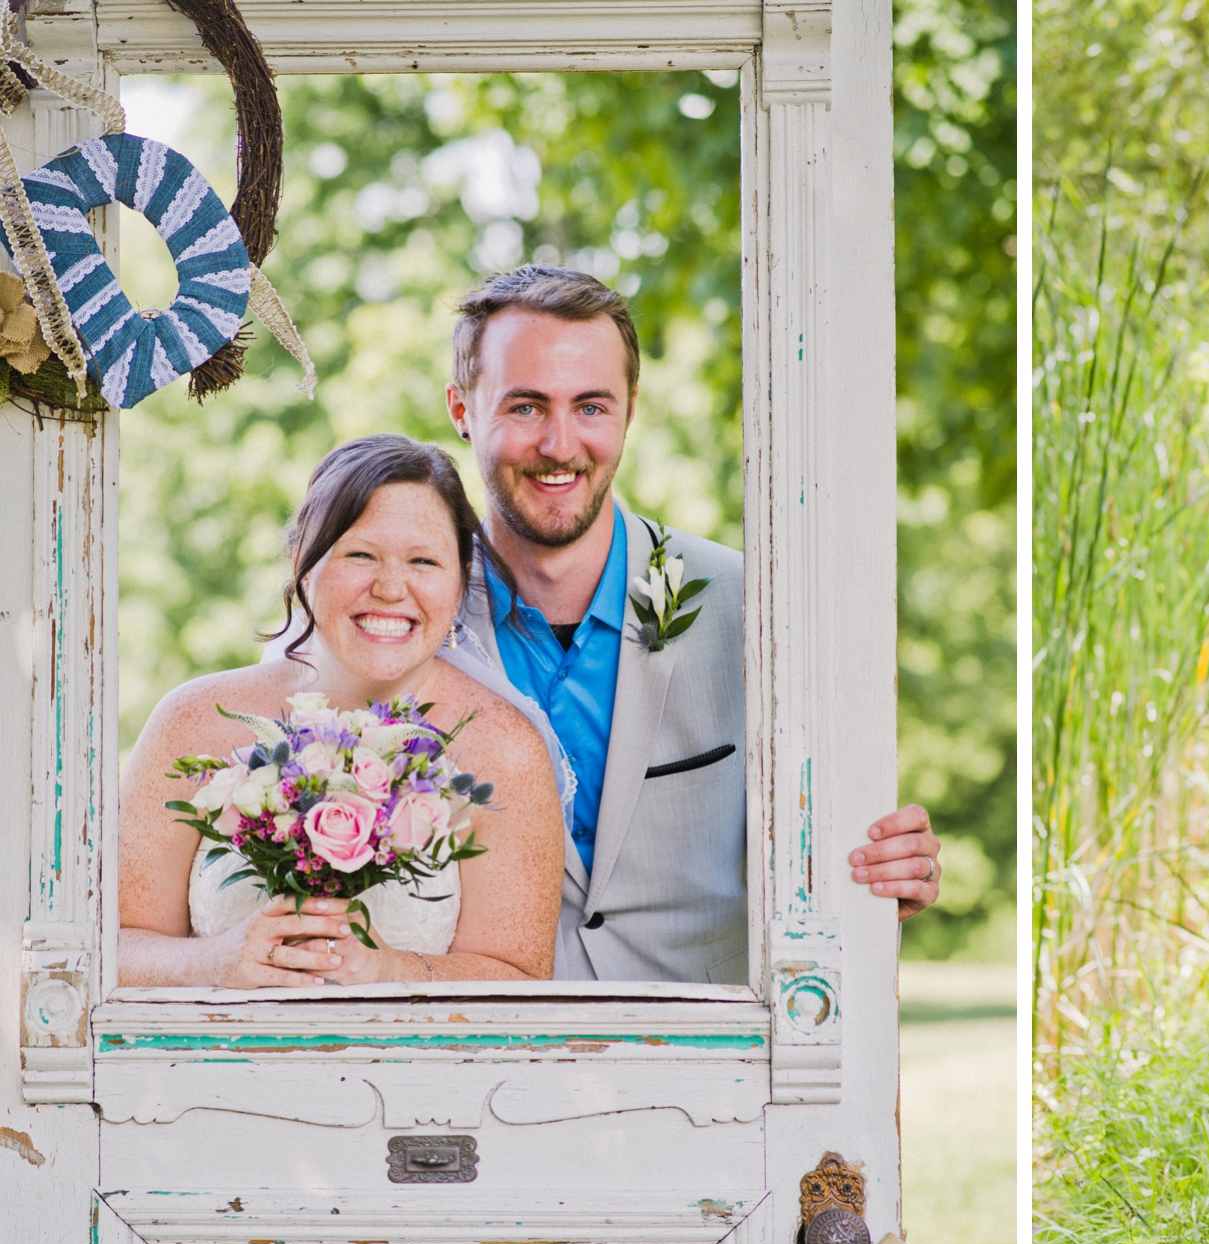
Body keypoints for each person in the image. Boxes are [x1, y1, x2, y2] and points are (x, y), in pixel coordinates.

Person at [441, 265, 941, 982]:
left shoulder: (755, 607)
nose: (559, 444)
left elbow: (833, 853)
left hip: (714, 1071)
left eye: (591, 406)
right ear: (462, 408)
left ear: (630, 410)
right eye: (525, 407)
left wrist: (895, 868)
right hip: (490, 1061)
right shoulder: (412, 622)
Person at [119, 435, 566, 987]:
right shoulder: (192, 722)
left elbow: (520, 980)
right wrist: (210, 963)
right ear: (303, 564)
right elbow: (111, 948)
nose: (390, 587)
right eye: (360, 554)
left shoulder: (504, 750)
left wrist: (392, 970)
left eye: (423, 561)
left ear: (459, 584)